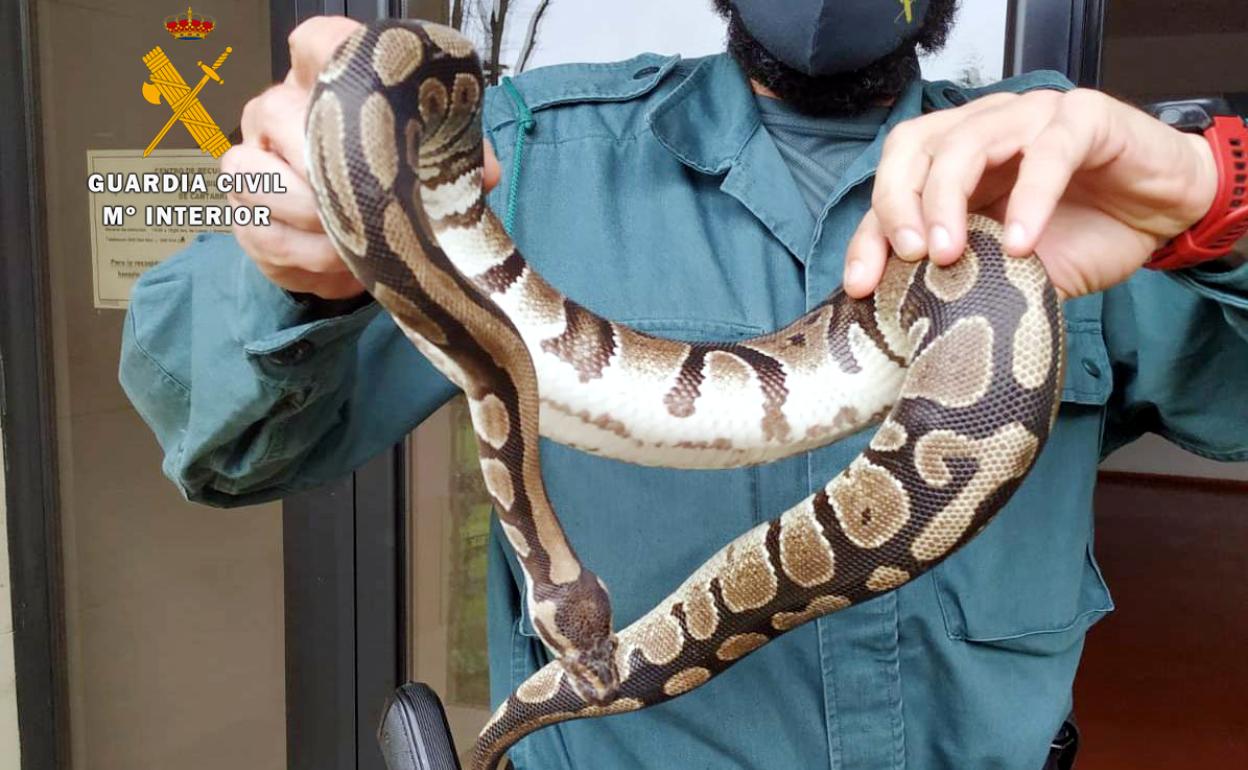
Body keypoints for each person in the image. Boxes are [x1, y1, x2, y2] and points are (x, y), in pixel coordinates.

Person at [119, 1, 1248, 768]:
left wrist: (1212, 194)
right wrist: (298, 264)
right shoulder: (520, 152)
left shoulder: (1067, 178)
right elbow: (213, 433)